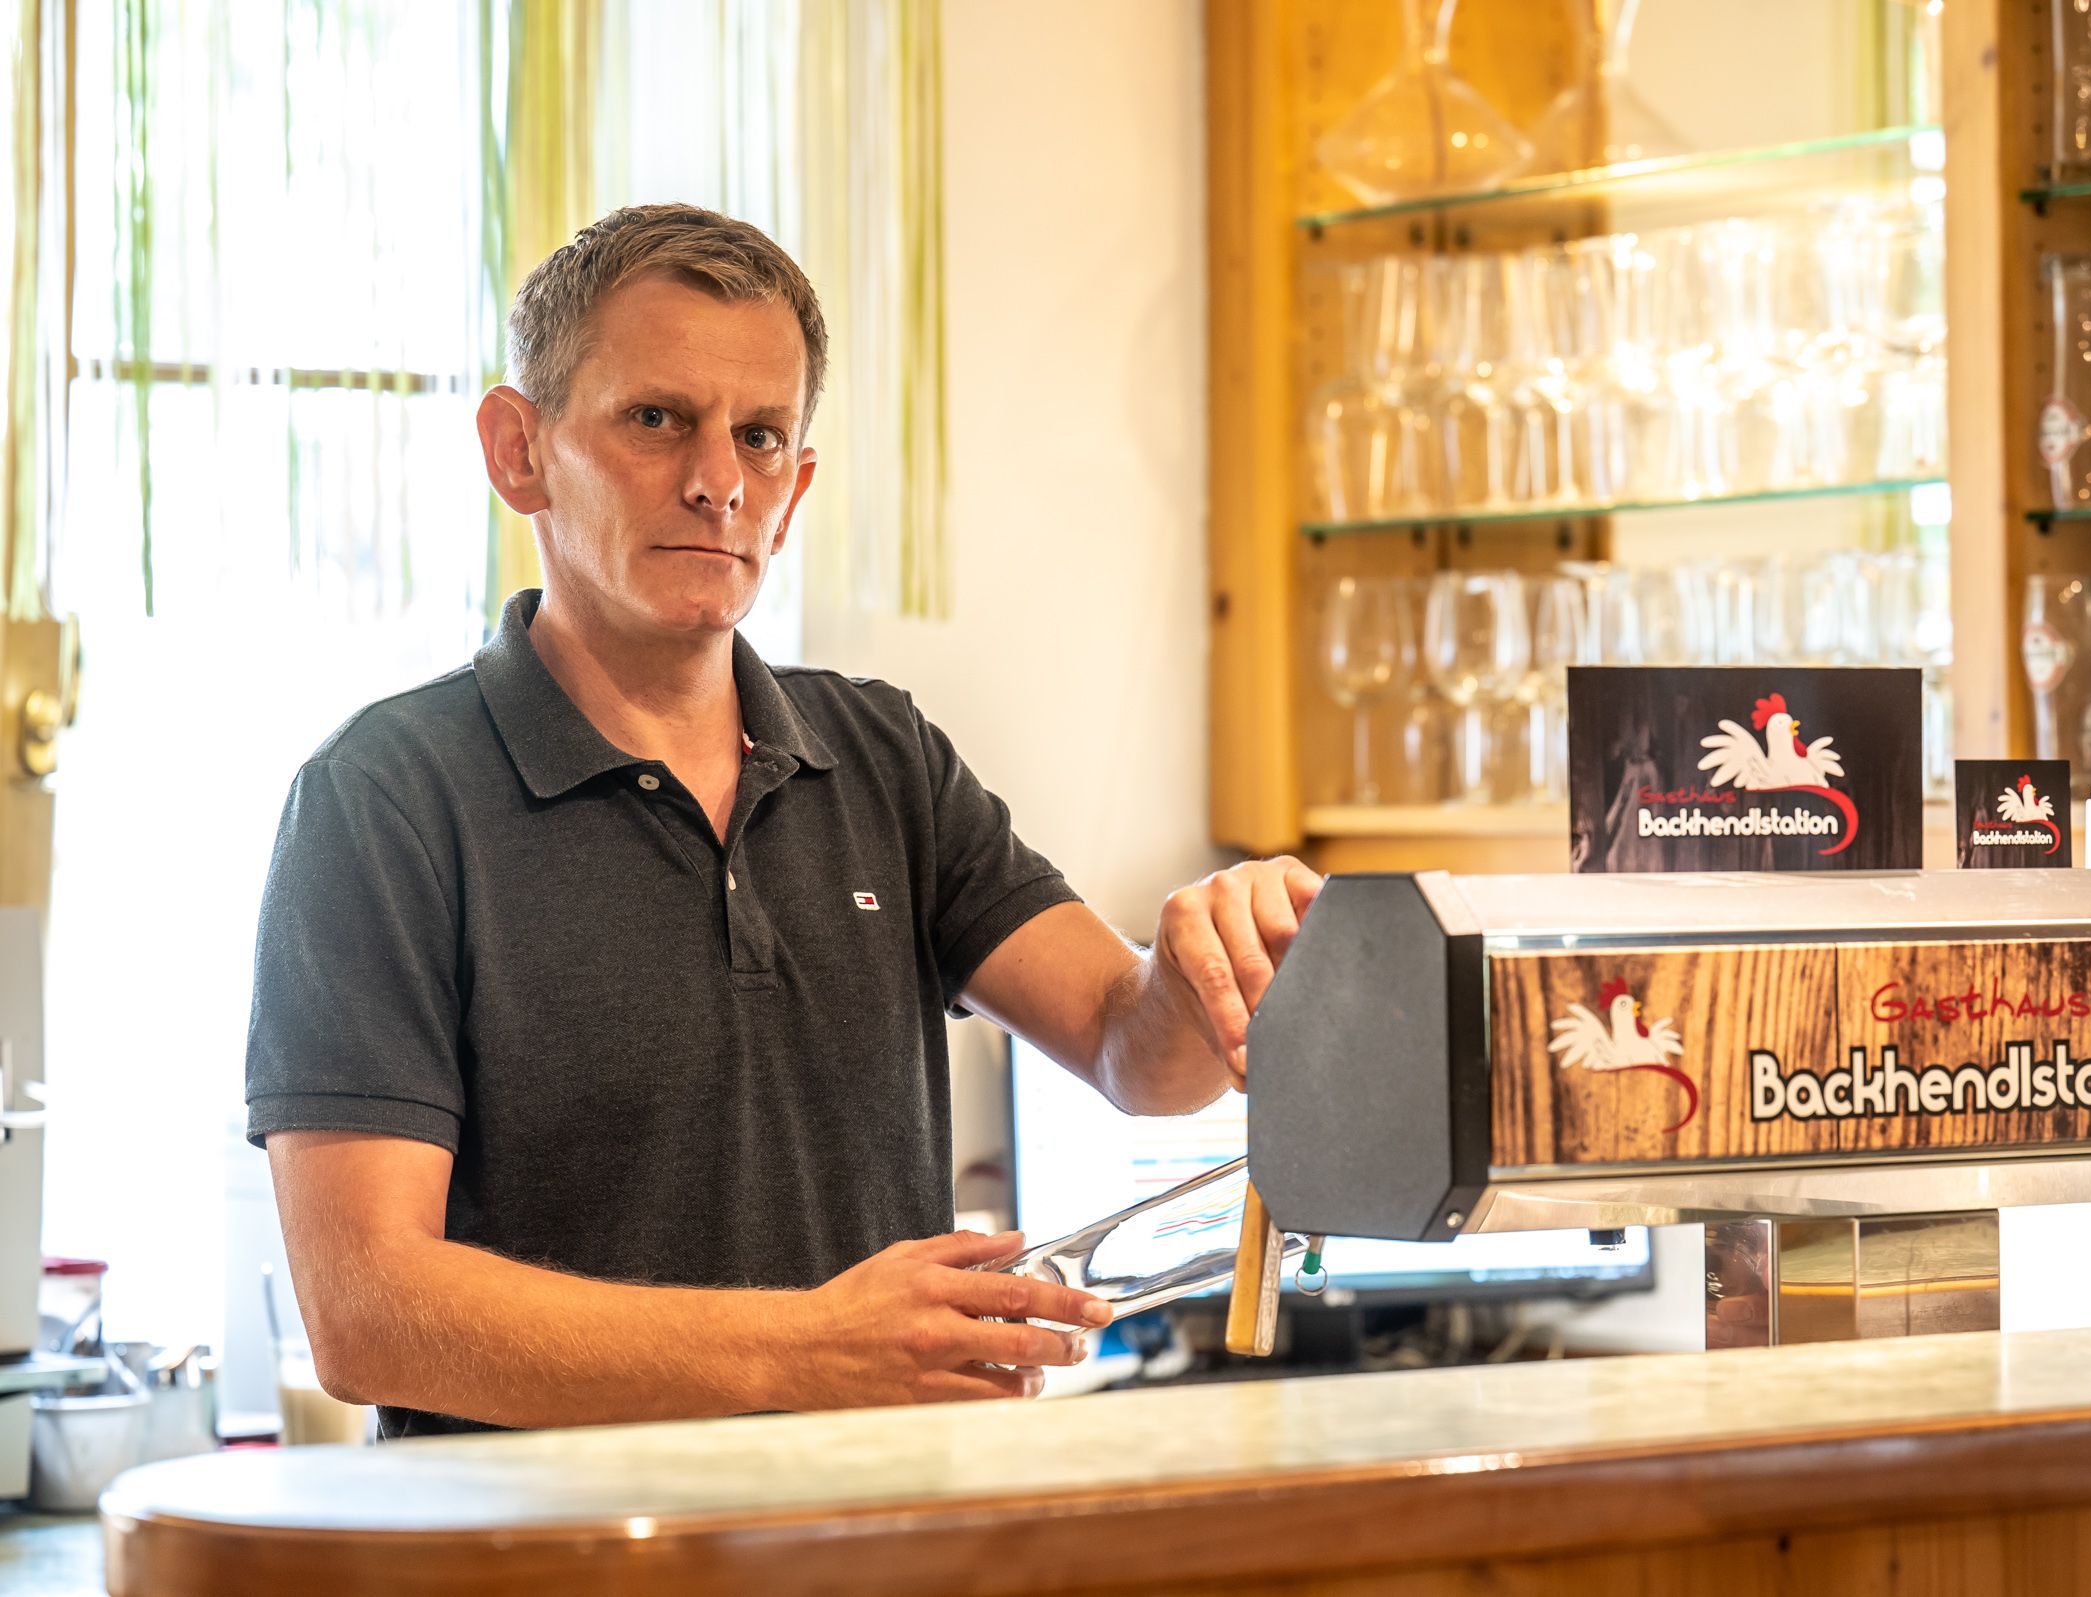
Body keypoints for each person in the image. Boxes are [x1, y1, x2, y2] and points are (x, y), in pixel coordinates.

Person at [245, 203, 1320, 1438]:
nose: (717, 481)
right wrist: (808, 1347)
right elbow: (368, 1311)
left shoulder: (883, 756)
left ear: (795, 489)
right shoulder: (381, 800)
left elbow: (1138, 1056)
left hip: (868, 1547)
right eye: (657, 420)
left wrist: (1201, 969)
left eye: (761, 437)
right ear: (518, 450)